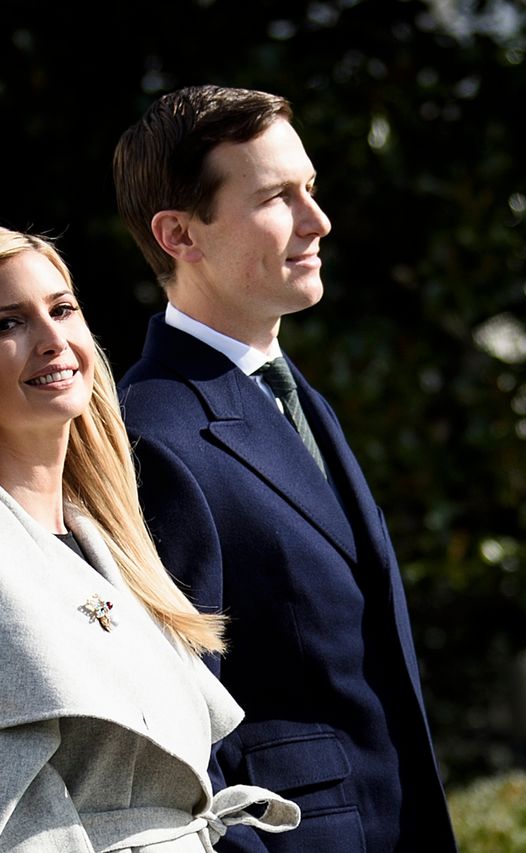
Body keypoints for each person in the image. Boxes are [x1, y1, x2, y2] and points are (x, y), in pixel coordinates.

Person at [0, 226, 299, 852]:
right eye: (7, 324)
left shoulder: (99, 540)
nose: (52, 341)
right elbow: (11, 839)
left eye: (62, 309)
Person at [112, 86, 458, 851]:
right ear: (178, 234)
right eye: (276, 197)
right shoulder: (150, 433)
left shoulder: (290, 390)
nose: (318, 219)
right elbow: (172, 731)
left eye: (310, 187)